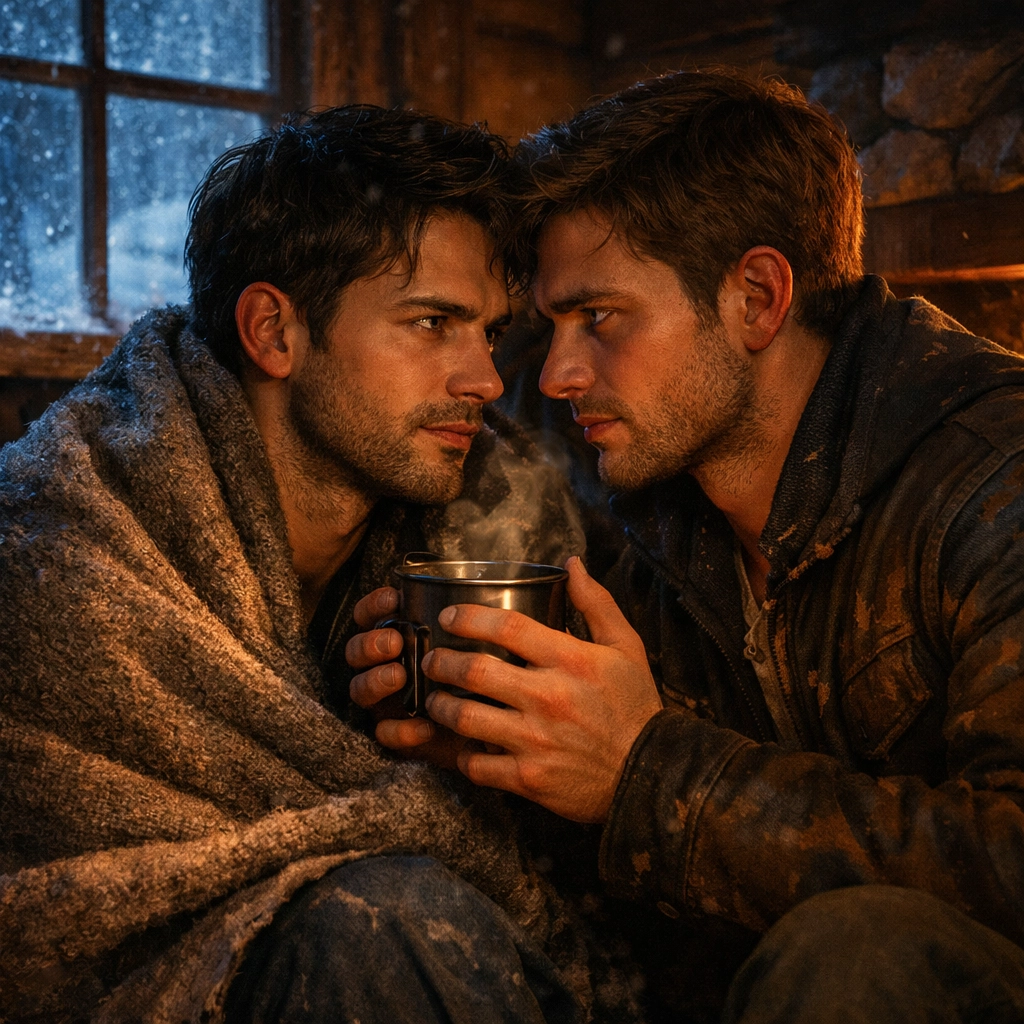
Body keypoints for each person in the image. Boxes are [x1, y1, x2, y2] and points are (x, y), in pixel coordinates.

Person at [350, 71, 1024, 1021]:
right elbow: (638, 870)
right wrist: (502, 744)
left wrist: (643, 771)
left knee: (860, 952)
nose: (555, 371)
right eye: (551, 325)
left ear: (756, 296)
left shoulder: (995, 478)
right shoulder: (654, 506)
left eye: (601, 317)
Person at [0, 106, 593, 1024]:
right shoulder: (62, 557)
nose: (484, 379)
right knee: (390, 919)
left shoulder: (491, 525)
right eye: (433, 323)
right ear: (273, 332)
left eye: (488, 332)